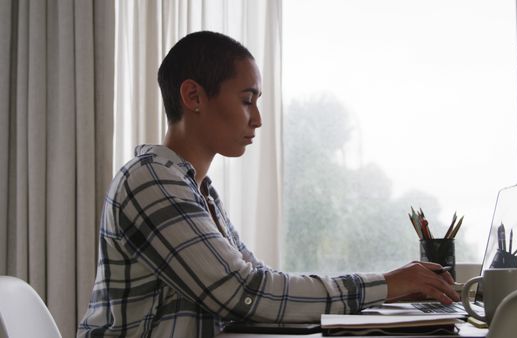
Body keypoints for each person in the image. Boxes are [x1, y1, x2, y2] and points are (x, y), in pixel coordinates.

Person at [77, 31, 459, 338]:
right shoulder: (151, 180)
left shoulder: (197, 190)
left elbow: (259, 281)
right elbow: (244, 292)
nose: (257, 119)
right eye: (247, 100)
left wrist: (390, 292)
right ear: (193, 96)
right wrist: (387, 285)